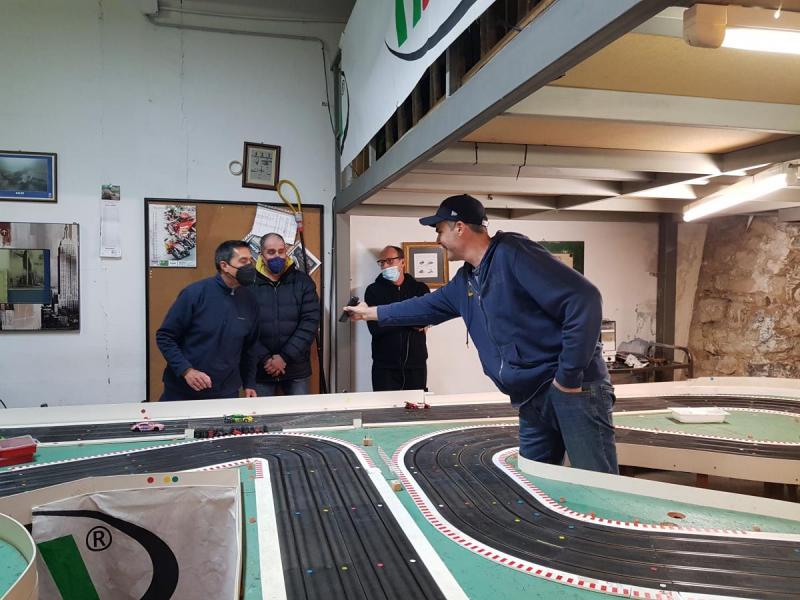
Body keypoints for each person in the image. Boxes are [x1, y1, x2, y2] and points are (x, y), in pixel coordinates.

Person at [345, 194, 617, 474]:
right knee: (536, 480)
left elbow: (584, 299)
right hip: (530, 395)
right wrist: (370, 313)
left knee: (597, 482)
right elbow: (423, 307)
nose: (438, 240)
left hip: (571, 389)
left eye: (439, 230)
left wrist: (568, 377)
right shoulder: (466, 279)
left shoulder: (513, 253)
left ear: (459, 227)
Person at [156, 240, 260, 401]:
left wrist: (249, 383)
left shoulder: (250, 300)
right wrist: (186, 370)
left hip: (225, 392)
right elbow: (165, 337)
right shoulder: (195, 294)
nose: (249, 266)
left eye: (250, 261)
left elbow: (250, 348)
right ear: (224, 266)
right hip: (183, 390)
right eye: (243, 261)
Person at [251, 233, 320, 396]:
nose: (277, 256)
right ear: (261, 255)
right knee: (260, 413)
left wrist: (284, 357)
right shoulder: (248, 284)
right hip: (260, 369)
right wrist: (265, 359)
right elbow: (244, 326)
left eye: (281, 251)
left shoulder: (303, 282)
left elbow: (310, 322)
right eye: (271, 252)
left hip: (296, 367)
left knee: (299, 412)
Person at [364, 245, 430, 391]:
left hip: (416, 364)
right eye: (382, 262)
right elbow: (376, 328)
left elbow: (424, 320)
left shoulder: (420, 289)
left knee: (415, 404)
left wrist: (388, 317)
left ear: (402, 262)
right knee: (385, 404)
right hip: (385, 365)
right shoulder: (373, 290)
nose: (385, 266)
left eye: (389, 261)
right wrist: (410, 319)